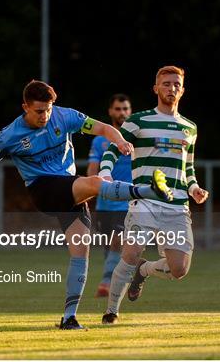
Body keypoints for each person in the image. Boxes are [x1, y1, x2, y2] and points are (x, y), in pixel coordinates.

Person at [0, 80, 173, 330]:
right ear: (25, 107)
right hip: (43, 189)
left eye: (49, 109)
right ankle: (148, 191)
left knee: (80, 252)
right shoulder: (10, 134)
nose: (45, 115)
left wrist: (119, 141)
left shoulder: (65, 116)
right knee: (95, 182)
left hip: (70, 190)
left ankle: (69, 318)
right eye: (39, 111)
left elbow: (104, 128)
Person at [100, 66, 209, 324]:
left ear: (182, 90)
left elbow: (188, 168)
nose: (171, 88)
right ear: (156, 88)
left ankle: (144, 270)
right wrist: (105, 174)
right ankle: (111, 311)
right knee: (130, 253)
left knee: (179, 270)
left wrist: (194, 188)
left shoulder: (189, 128)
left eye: (176, 84)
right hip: (145, 202)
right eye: (166, 84)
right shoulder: (138, 121)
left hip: (177, 206)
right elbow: (112, 150)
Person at [87, 94, 132, 297]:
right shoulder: (99, 141)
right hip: (104, 203)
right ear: (110, 112)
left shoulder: (136, 139)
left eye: (125, 109)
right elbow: (92, 169)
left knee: (118, 240)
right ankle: (118, 280)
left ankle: (106, 282)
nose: (122, 112)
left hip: (128, 202)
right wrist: (88, 190)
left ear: (130, 112)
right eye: (118, 109)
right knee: (109, 248)